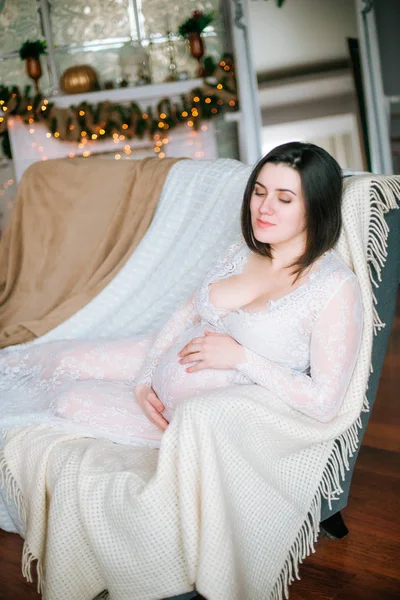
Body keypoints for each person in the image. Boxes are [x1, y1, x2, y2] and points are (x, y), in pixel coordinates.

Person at [1, 142, 363, 446]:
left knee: (68, 401)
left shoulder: (334, 287)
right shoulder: (243, 252)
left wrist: (241, 357)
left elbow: (324, 402)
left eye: (284, 199)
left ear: (316, 208)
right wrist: (145, 379)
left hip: (200, 420)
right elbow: (187, 311)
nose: (264, 208)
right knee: (59, 358)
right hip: (161, 355)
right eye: (259, 192)